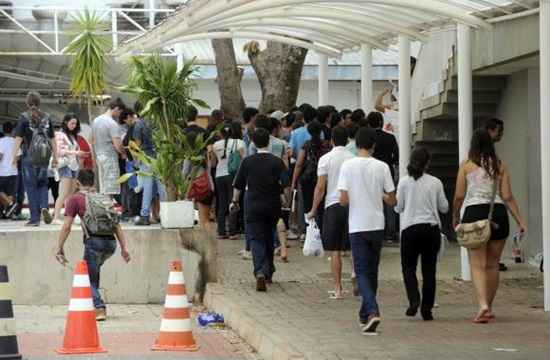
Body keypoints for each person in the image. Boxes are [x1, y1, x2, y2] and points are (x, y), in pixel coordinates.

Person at [452, 129, 526, 324]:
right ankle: (489, 307)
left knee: (477, 264)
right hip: (498, 215)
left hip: (475, 214)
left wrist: (455, 216)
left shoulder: (466, 166)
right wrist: (520, 220)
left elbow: (459, 195)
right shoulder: (500, 166)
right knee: (493, 264)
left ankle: (482, 304)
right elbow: (508, 196)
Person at [337, 127, 396, 335]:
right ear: (373, 145)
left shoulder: (347, 165)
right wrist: (379, 196)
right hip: (377, 224)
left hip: (357, 224)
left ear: (356, 143)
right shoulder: (382, 167)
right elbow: (392, 199)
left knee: (361, 270)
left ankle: (372, 311)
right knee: (372, 270)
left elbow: (343, 200)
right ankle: (365, 314)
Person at [54, 170, 130, 321]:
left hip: (94, 242)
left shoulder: (75, 199)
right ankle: (92, 304)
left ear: (77, 183)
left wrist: (59, 246)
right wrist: (124, 248)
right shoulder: (104, 198)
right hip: (111, 244)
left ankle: (99, 307)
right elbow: (116, 225)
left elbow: (66, 226)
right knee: (93, 274)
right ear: (93, 182)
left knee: (87, 278)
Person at [232, 128, 290, 292]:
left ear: (253, 143)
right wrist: (286, 201)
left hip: (253, 204)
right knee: (269, 237)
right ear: (269, 142)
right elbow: (286, 185)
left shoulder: (248, 162)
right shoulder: (276, 161)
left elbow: (238, 185)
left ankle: (260, 271)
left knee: (256, 238)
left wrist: (234, 201)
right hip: (272, 205)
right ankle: (269, 271)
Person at [395, 148, 449, 321]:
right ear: (428, 163)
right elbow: (444, 207)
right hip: (430, 229)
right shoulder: (435, 182)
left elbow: (398, 207)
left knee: (408, 268)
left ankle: (413, 299)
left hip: (410, 229)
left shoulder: (404, 182)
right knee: (429, 271)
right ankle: (427, 309)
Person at [307, 126, 353, 299]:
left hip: (332, 206)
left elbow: (320, 187)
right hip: (351, 205)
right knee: (354, 245)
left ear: (332, 140)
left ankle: (338, 288)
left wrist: (312, 209)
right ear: (347, 140)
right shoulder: (353, 158)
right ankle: (356, 276)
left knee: (335, 250)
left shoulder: (325, 159)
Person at [12, 92, 58, 226]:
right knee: (43, 184)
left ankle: (35, 218)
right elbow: (52, 139)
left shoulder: (24, 117)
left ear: (27, 103)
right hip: (44, 156)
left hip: (29, 156)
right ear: (39, 102)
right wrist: (56, 157)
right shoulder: (47, 117)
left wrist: (14, 157)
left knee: (31, 187)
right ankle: (44, 206)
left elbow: (18, 138)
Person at [121, 109, 164, 226]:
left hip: (146, 159)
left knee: (148, 187)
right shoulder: (157, 122)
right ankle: (165, 214)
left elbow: (137, 145)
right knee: (161, 187)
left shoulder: (139, 124)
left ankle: (144, 215)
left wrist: (136, 161)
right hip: (160, 159)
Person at [367, 111, 399, 242]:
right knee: (389, 202)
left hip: (370, 172)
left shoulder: (368, 138)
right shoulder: (390, 137)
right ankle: (390, 232)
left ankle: (376, 230)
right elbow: (396, 157)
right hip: (387, 171)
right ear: (381, 122)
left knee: (372, 201)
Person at [212, 121, 246, 238]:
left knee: (221, 203)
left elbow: (213, 163)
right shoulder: (239, 143)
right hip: (233, 175)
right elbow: (244, 160)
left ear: (221, 134)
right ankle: (232, 231)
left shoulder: (215, 145)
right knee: (233, 201)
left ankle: (221, 231)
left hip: (219, 175)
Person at [291, 120, 331, 219]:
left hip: (307, 178)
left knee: (306, 205)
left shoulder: (306, 145)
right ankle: (321, 227)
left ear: (309, 131)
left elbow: (299, 164)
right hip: (322, 178)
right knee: (321, 204)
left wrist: (293, 181)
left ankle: (307, 229)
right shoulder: (327, 145)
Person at [183, 105, 212, 230]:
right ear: (196, 116)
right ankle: (209, 246)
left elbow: (184, 170)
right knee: (205, 219)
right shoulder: (204, 132)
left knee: (188, 218)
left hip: (190, 183)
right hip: (205, 181)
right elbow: (210, 154)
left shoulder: (182, 133)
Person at [52, 114, 85, 224]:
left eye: (75, 123)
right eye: (72, 123)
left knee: (71, 193)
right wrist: (76, 152)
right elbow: (59, 151)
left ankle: (68, 215)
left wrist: (78, 154)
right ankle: (56, 217)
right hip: (65, 165)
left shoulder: (72, 135)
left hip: (74, 165)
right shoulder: (60, 134)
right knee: (64, 192)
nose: (74, 125)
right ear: (66, 122)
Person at [91, 98, 126, 197]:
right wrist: (124, 153)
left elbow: (92, 141)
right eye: (120, 112)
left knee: (103, 187)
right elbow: (118, 145)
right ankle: (109, 209)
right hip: (110, 157)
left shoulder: (96, 120)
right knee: (111, 187)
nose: (119, 115)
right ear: (116, 108)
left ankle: (105, 209)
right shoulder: (112, 123)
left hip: (99, 156)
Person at [0, 122, 19, 218]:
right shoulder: (16, 141)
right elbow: (18, 157)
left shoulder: (1, 141)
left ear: (3, 130)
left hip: (2, 171)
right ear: (12, 130)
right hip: (14, 171)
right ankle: (9, 213)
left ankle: (10, 204)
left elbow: (0, 156)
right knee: (10, 193)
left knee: (2, 192)